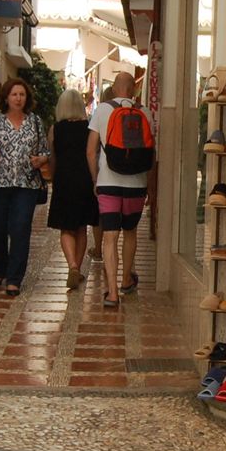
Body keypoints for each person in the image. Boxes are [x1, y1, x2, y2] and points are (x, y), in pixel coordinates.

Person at [86, 70, 151, 307]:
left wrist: (96, 180)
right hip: (137, 184)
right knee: (130, 232)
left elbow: (91, 150)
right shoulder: (145, 112)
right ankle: (126, 280)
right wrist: (150, 188)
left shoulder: (102, 110)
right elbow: (150, 154)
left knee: (110, 237)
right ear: (134, 90)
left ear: (114, 89)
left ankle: (112, 293)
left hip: (108, 183)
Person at [0, 77, 50, 297]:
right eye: (14, 94)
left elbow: (45, 150)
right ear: (6, 97)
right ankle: (0, 269)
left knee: (21, 229)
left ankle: (14, 279)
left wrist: (41, 160)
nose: (18, 98)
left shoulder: (35, 122)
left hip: (27, 184)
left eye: (22, 94)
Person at [46, 87, 98, 291]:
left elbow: (52, 156)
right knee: (81, 226)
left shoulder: (55, 129)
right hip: (85, 180)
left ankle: (72, 266)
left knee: (66, 227)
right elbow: (92, 153)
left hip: (64, 179)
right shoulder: (89, 128)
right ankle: (77, 268)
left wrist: (52, 176)